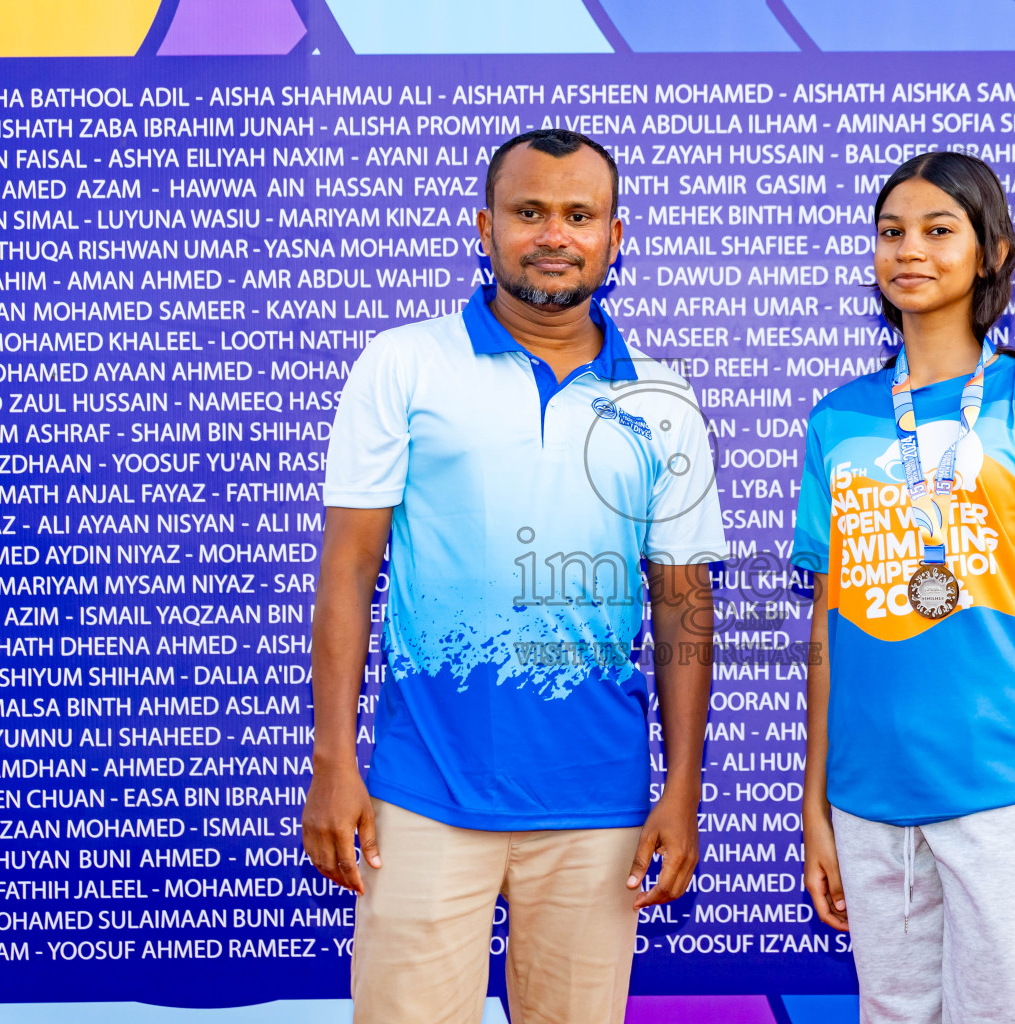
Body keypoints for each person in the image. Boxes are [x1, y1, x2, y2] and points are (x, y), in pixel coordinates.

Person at [303, 128, 728, 1024]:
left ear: (616, 237)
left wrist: (681, 787)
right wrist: (334, 761)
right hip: (422, 793)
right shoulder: (404, 362)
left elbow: (683, 601)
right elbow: (348, 570)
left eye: (580, 215)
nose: (553, 234)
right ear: (485, 227)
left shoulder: (664, 399)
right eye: (529, 211)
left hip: (598, 800)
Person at [793, 151, 1015, 1024]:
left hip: (1005, 788)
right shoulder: (839, 418)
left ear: (994, 253)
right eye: (892, 232)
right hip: (868, 797)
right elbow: (829, 626)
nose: (911, 251)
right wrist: (816, 803)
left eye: (940, 231)